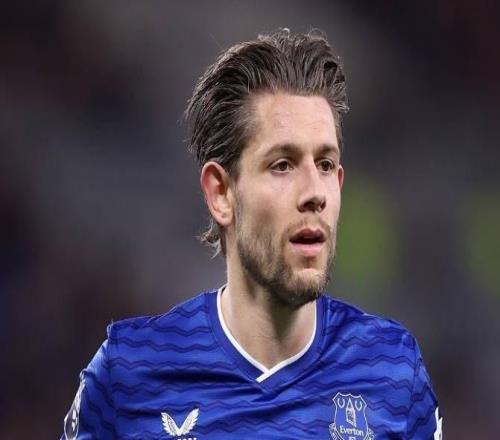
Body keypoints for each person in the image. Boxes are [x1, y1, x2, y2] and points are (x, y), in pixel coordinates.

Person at [61, 29, 442, 440]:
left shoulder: (393, 370)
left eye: (325, 165)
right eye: (282, 165)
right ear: (221, 193)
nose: (314, 193)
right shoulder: (129, 373)